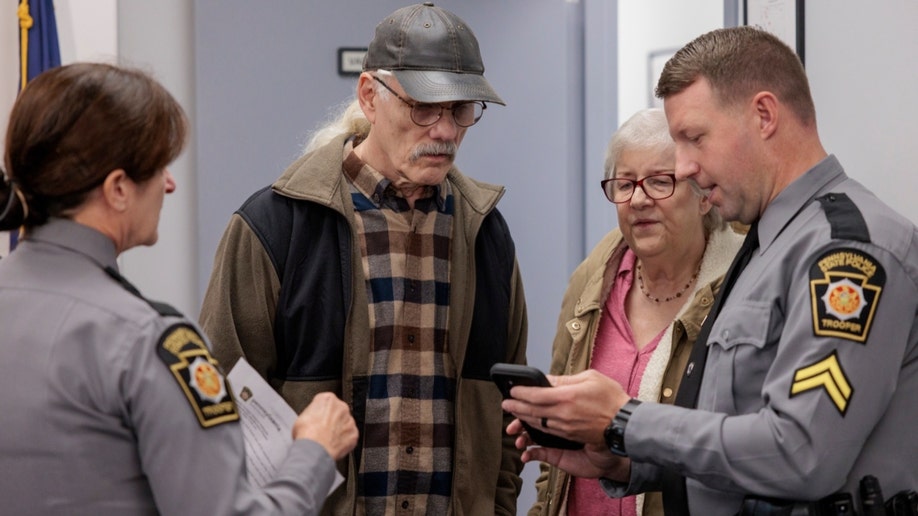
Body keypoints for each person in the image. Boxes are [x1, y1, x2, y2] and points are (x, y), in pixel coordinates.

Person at [502, 25, 918, 515]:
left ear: (764, 115)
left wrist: (625, 420)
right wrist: (626, 463)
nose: (682, 167)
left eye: (694, 138)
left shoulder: (845, 252)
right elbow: (735, 433)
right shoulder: (766, 244)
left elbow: (802, 452)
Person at [199, 3, 528, 514]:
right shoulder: (275, 226)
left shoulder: (485, 233)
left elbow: (506, 413)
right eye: (424, 106)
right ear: (369, 96)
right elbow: (218, 407)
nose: (445, 131)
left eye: (461, 109)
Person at [0, 62, 358, 516]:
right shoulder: (151, 344)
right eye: (159, 167)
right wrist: (315, 452)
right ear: (117, 190)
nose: (169, 184)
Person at [529, 108, 742, 516]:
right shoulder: (593, 280)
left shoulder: (739, 287)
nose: (639, 199)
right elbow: (557, 448)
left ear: (703, 195)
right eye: (625, 184)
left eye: (660, 182)